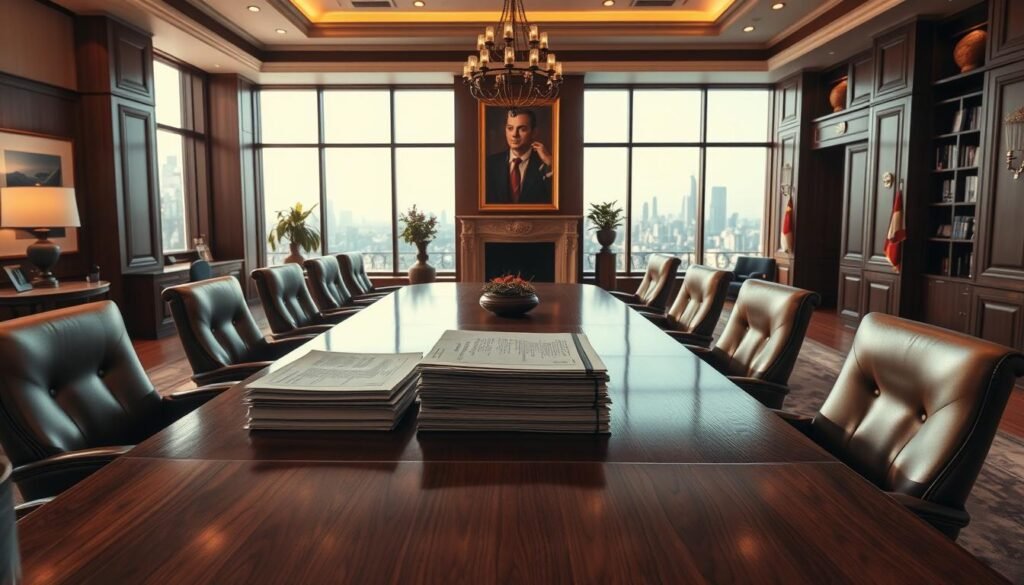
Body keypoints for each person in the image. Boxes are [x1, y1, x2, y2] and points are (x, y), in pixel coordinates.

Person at [485, 108, 553, 204]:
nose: (514, 134)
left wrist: (550, 164)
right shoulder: (490, 163)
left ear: (534, 132)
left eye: (522, 129)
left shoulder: (546, 163)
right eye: (510, 128)